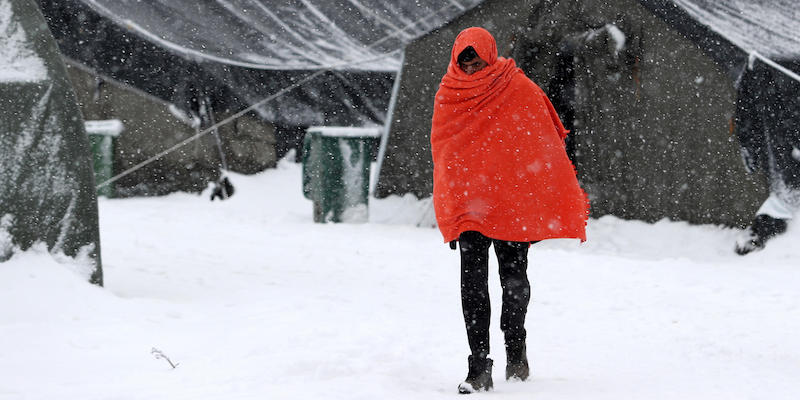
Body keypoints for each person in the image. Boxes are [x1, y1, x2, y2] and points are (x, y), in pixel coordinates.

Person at [430, 27, 589, 394]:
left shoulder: (516, 87)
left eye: (478, 63)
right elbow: (445, 153)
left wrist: (537, 185)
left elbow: (544, 134)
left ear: (490, 55)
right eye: (466, 64)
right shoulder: (449, 94)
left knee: (513, 281)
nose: (472, 70)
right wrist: (452, 205)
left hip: (511, 202)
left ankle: (516, 348)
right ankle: (479, 366)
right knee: (472, 285)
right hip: (470, 205)